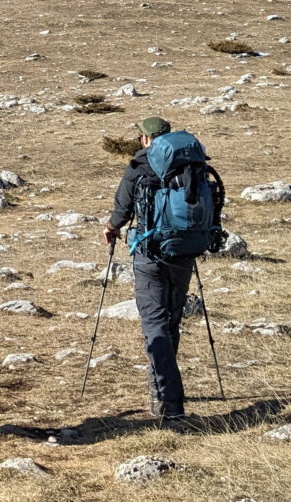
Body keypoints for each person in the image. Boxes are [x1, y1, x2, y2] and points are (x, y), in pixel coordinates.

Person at [104, 116, 194, 421]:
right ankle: (160, 387)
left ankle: (169, 400)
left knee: (154, 323)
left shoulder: (139, 165)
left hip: (150, 253)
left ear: (145, 139)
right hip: (183, 252)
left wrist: (111, 228)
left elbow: (122, 208)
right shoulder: (189, 163)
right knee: (171, 320)